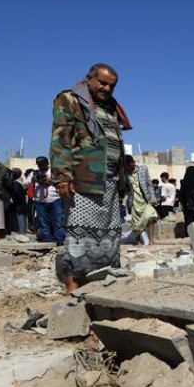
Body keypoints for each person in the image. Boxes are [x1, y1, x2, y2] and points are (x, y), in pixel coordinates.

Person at [50, 63, 132, 293]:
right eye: (103, 83)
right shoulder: (69, 99)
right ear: (89, 79)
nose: (107, 89)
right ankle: (72, 283)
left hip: (110, 180)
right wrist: (62, 176)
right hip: (83, 179)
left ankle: (100, 279)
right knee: (80, 231)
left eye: (112, 86)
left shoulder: (110, 107)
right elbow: (61, 139)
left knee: (109, 232)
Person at [125, 155, 157, 245]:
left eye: (128, 165)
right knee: (136, 223)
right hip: (134, 201)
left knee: (150, 219)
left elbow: (149, 184)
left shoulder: (143, 169)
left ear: (133, 163)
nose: (128, 168)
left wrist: (152, 198)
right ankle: (137, 242)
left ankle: (151, 242)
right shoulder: (125, 174)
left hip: (145, 200)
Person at [34, 156, 65, 244]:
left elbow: (63, 180)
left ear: (47, 164)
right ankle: (47, 243)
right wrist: (35, 179)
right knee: (44, 224)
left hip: (55, 199)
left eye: (43, 165)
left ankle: (59, 242)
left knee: (58, 223)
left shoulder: (54, 172)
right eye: (39, 165)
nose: (41, 167)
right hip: (40, 201)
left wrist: (52, 180)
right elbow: (26, 183)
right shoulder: (35, 173)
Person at [5, 168, 29, 234]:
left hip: (18, 207)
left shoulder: (16, 184)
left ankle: (21, 233)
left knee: (20, 223)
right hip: (21, 206)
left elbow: (15, 194)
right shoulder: (20, 183)